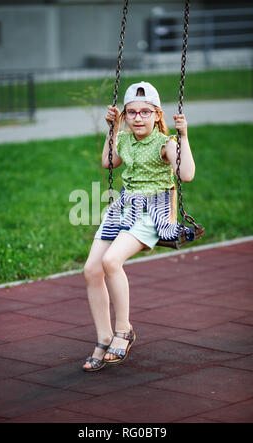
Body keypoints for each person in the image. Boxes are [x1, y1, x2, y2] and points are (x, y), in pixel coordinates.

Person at [82, 81, 195, 371]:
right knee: (91, 270)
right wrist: (111, 129)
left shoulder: (165, 144)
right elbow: (109, 163)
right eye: (131, 113)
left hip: (155, 210)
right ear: (125, 116)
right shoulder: (123, 138)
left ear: (157, 115)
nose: (138, 118)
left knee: (111, 261)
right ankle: (104, 336)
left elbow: (187, 174)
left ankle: (124, 330)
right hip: (124, 206)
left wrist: (182, 135)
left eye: (145, 112)